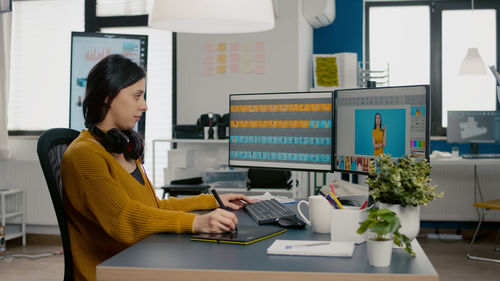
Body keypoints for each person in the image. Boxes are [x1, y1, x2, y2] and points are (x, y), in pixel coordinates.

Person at [61, 54, 251, 281]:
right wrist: (196, 222)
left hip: (142, 257)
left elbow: (152, 207)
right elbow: (124, 219)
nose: (144, 106)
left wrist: (212, 201)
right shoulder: (84, 155)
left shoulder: (123, 147)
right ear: (109, 97)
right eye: (137, 96)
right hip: (113, 271)